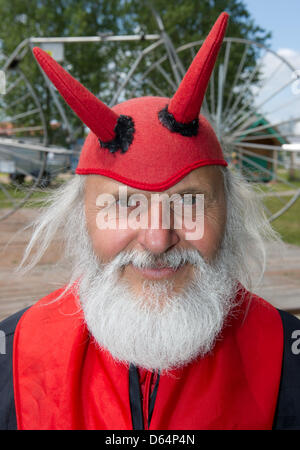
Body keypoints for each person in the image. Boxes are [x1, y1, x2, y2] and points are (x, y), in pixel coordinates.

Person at [0, 13, 299, 430]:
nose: (158, 239)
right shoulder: (14, 356)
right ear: (80, 219)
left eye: (190, 202)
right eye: (124, 206)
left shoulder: (287, 358)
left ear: (230, 214)